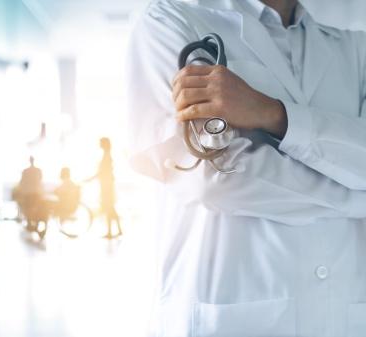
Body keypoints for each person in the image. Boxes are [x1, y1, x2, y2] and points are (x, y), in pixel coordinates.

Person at [128, 0, 366, 336]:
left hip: (343, 313)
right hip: (232, 313)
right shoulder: (171, 20)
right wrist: (358, 198)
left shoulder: (356, 48)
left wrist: (273, 114)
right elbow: (212, 180)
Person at [87, 138, 122, 239]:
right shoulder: (107, 155)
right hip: (107, 185)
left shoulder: (106, 156)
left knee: (108, 208)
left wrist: (90, 179)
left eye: (100, 143)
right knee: (111, 208)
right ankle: (117, 230)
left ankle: (110, 232)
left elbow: (102, 172)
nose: (99, 144)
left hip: (106, 186)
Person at [13, 156, 45, 231]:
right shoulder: (38, 170)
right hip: (36, 193)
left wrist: (19, 191)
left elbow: (22, 183)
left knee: (27, 208)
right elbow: (40, 181)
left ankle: (29, 222)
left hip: (28, 193)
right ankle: (32, 222)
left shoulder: (25, 171)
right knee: (33, 208)